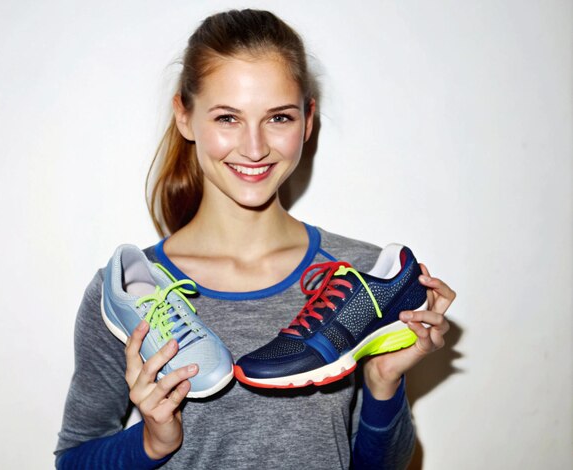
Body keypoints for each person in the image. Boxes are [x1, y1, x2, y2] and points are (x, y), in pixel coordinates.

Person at [55, 9, 455, 469]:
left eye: (278, 118)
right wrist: (150, 443)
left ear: (307, 121)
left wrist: (384, 380)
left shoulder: (358, 278)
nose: (254, 147)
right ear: (185, 117)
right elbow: (73, 460)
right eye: (228, 118)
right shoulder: (130, 294)